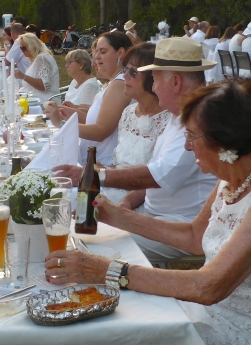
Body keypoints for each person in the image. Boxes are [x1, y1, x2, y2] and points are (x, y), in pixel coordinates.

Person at [45, 80, 251, 345]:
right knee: (114, 322)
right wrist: (115, 215)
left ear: (225, 143)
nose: (187, 146)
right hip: (214, 311)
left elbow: (209, 287)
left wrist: (107, 272)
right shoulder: (238, 169)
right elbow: (194, 238)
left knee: (122, 343)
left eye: (192, 136)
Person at [54, 37, 217, 263]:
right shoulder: (178, 114)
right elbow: (154, 174)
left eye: (156, 80)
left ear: (176, 82)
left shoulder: (199, 120)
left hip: (181, 226)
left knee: (91, 247)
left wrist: (94, 175)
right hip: (153, 214)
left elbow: (158, 176)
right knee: (78, 227)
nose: (154, 87)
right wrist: (127, 203)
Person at [102, 43, 170, 203]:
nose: (124, 76)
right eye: (125, 70)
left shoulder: (168, 120)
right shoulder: (128, 113)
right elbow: (118, 164)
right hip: (109, 187)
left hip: (138, 201)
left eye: (133, 72)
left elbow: (157, 179)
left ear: (152, 77)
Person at [58, 31, 133, 167]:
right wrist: (67, 113)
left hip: (103, 164)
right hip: (93, 159)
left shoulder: (120, 83)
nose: (96, 57)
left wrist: (64, 126)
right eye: (96, 52)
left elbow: (101, 131)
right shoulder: (111, 82)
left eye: (103, 52)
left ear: (120, 53)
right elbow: (93, 119)